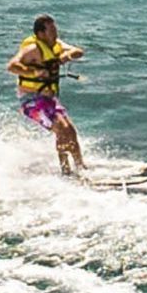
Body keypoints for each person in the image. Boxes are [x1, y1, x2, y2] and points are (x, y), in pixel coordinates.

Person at [7, 15, 88, 175]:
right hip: (31, 101)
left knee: (70, 130)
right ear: (40, 33)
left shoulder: (56, 45)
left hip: (49, 99)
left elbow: (79, 51)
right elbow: (12, 66)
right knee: (61, 128)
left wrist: (67, 55)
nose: (55, 32)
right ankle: (66, 170)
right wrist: (34, 71)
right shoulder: (32, 49)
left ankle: (81, 168)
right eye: (51, 30)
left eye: (55, 28)